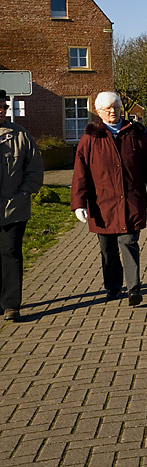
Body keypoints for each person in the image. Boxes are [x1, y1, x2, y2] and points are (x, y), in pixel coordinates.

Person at [71, 91, 147, 306]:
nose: (112, 112)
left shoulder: (135, 134)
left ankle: (134, 289)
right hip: (101, 205)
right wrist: (78, 204)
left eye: (116, 107)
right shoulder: (90, 139)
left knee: (129, 242)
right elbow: (80, 173)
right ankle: (113, 287)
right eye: (107, 109)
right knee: (108, 249)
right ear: (98, 112)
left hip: (131, 201)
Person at [0, 90, 44, 322]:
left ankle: (11, 305)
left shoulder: (21, 136)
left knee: (11, 254)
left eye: (2, 107)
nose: (0, 111)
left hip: (13, 208)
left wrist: (24, 193)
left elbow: (35, 169)